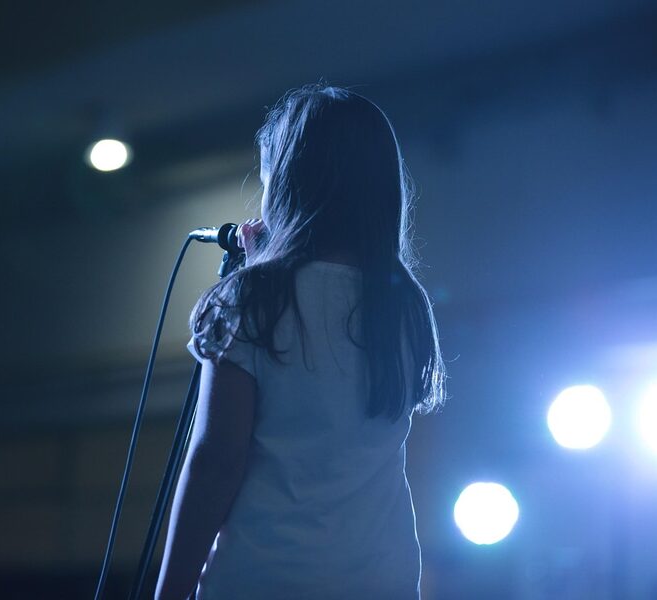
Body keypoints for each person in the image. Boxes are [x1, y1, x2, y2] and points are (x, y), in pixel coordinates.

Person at [154, 84, 446, 600]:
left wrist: (170, 591)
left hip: (267, 578)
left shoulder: (250, 300)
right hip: (382, 582)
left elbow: (217, 461)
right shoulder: (404, 306)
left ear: (287, 185)